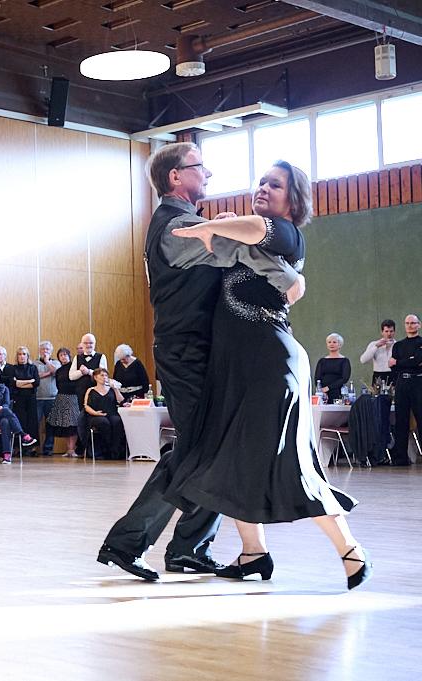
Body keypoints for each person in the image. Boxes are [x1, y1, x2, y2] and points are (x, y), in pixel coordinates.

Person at [98, 142, 304, 582]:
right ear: (176, 176)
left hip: (203, 350)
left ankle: (188, 547)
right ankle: (129, 542)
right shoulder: (174, 226)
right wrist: (288, 277)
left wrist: (223, 226)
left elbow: (228, 242)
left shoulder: (188, 221)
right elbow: (234, 250)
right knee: (201, 448)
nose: (208, 175)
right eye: (201, 168)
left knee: (213, 445)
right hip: (185, 351)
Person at [165, 160, 370, 590]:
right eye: (260, 181)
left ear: (293, 200)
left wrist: (217, 226)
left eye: (274, 185)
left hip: (271, 365)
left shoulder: (289, 236)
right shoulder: (249, 239)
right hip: (239, 368)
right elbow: (221, 245)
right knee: (232, 460)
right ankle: (253, 554)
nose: (263, 188)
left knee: (290, 464)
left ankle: (351, 551)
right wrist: (212, 228)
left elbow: (256, 229)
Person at [389, 313, 421, 467]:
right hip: (402, 383)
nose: (410, 325)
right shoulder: (398, 345)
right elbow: (392, 365)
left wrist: (400, 363)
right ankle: (400, 458)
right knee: (401, 420)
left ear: (419, 325)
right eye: (407, 323)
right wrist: (408, 363)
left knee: (420, 418)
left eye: (413, 323)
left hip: (418, 382)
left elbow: (418, 361)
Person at [83, 368, 126, 460]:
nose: (104, 377)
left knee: (117, 422)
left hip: (111, 413)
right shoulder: (90, 390)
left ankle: (115, 451)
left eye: (106, 375)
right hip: (95, 415)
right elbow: (86, 406)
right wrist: (95, 413)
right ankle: (105, 450)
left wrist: (115, 389)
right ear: (95, 377)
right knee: (103, 423)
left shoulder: (112, 389)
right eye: (102, 375)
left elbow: (121, 400)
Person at [47, 348, 81, 457]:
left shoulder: (74, 367)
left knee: (73, 424)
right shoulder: (59, 370)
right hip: (61, 397)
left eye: (65, 355)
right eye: (61, 355)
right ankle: (68, 449)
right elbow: (57, 384)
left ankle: (72, 449)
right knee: (64, 425)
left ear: (69, 356)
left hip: (73, 398)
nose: (63, 357)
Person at [33, 341, 60, 455]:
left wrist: (48, 361)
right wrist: (48, 374)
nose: (45, 351)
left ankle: (48, 449)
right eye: (43, 349)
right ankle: (34, 448)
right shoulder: (34, 363)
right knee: (35, 424)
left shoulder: (56, 362)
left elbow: (55, 372)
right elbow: (35, 377)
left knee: (50, 425)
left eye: (47, 349)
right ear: (39, 350)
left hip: (52, 398)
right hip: (37, 398)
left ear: (51, 351)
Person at [11, 346, 40, 444]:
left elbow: (36, 383)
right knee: (20, 421)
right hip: (18, 399)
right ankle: (19, 447)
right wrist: (29, 382)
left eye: (24, 354)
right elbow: (13, 384)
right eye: (19, 354)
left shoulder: (33, 368)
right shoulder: (13, 368)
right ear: (17, 356)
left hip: (31, 398)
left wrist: (20, 383)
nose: (22, 356)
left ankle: (32, 447)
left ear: (27, 356)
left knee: (32, 422)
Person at [314, 333, 351, 403]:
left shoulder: (344, 361)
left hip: (338, 392)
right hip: (323, 393)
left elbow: (344, 378)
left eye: (334, 342)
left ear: (340, 345)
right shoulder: (322, 361)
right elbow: (317, 378)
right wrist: (321, 391)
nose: (331, 344)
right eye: (329, 342)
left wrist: (328, 388)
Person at [360, 319, 396, 388]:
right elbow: (363, 360)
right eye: (386, 331)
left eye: (391, 331)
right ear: (382, 332)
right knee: (377, 398)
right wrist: (376, 346)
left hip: (393, 375)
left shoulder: (398, 345)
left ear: (394, 332)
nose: (389, 334)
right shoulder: (374, 344)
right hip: (378, 376)